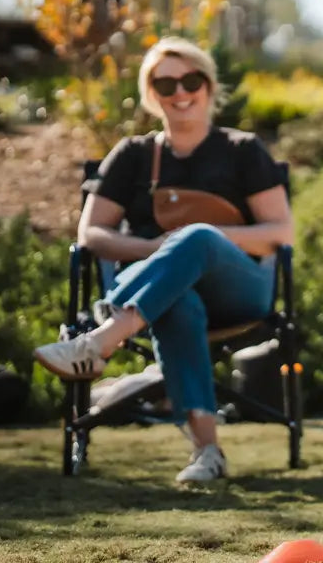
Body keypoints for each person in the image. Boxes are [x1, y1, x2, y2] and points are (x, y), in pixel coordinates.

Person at [31, 37, 294, 484]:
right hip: (156, 290)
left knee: (199, 239)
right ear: (152, 93)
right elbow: (92, 234)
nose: (179, 91)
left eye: (190, 79)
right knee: (179, 299)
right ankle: (208, 452)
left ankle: (100, 342)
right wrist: (162, 251)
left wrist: (202, 241)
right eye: (165, 83)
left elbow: (279, 233)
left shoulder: (242, 150)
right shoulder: (132, 156)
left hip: (237, 290)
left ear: (209, 87)